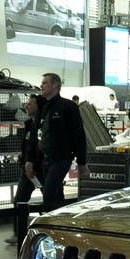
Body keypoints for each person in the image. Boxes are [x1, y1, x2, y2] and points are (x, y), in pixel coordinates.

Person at [38, 72, 89, 207]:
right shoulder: (45, 107)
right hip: (46, 158)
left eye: (45, 83)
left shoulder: (68, 107)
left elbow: (79, 134)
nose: (41, 86)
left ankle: (49, 218)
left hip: (61, 159)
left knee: (48, 194)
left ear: (55, 85)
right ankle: (59, 216)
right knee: (56, 193)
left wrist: (82, 161)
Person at [5, 94, 45, 245]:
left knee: (51, 200)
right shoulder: (28, 124)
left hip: (42, 169)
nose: (26, 106)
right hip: (27, 169)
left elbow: (41, 148)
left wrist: (35, 163)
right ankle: (19, 234)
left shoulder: (44, 126)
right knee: (19, 201)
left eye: (30, 104)